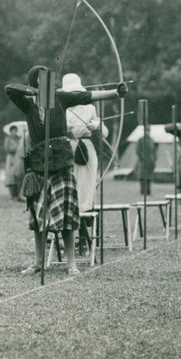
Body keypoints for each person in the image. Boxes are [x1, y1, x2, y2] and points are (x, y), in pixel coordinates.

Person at [6, 65, 127, 276]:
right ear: (35, 82)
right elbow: (9, 89)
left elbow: (87, 96)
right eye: (45, 80)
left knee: (68, 217)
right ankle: (38, 262)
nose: (51, 83)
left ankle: (72, 264)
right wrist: (34, 93)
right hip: (39, 164)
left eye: (51, 79)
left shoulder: (61, 98)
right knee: (38, 217)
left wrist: (115, 92)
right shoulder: (27, 103)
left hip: (61, 160)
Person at [63, 73, 108, 257]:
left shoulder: (89, 107)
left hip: (85, 151)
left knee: (85, 192)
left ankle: (83, 238)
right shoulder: (64, 108)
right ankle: (78, 239)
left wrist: (95, 125)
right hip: (71, 149)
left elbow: (103, 131)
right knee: (75, 191)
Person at [3, 122, 25, 201]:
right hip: (11, 158)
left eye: (15, 130)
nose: (14, 132)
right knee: (10, 177)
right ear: (10, 131)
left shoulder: (19, 138)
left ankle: (18, 194)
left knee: (18, 175)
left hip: (18, 158)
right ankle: (12, 194)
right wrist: (14, 149)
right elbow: (7, 148)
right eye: (13, 130)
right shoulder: (8, 139)